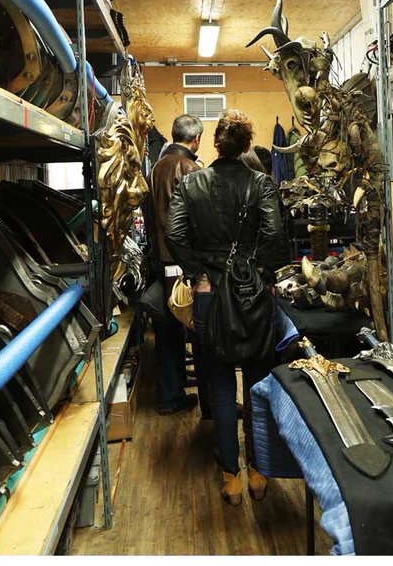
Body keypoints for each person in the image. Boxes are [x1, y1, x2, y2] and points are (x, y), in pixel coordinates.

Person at [166, 109, 286, 507]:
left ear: (215, 142)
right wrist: (261, 273)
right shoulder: (261, 184)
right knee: (256, 382)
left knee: (218, 384)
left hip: (209, 292)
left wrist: (197, 271)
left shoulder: (191, 183)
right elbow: (274, 233)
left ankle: (230, 477)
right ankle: (258, 472)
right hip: (253, 294)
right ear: (247, 144)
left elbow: (174, 233)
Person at [146, 114, 203, 415]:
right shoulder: (189, 168)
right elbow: (195, 221)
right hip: (180, 262)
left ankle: (173, 389)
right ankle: (172, 397)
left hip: (160, 257)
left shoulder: (157, 167)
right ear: (196, 140)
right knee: (187, 326)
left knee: (168, 331)